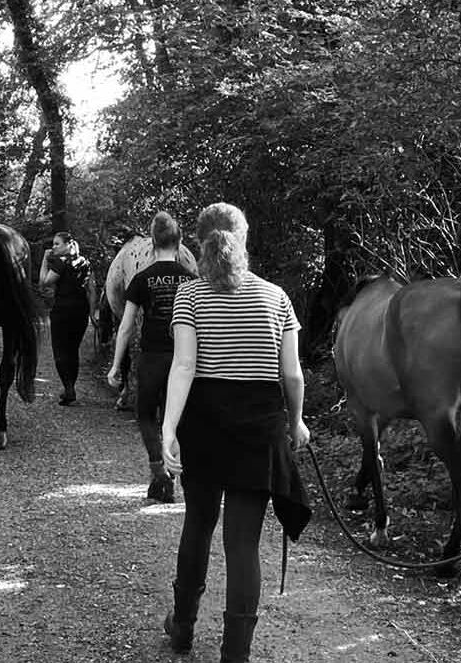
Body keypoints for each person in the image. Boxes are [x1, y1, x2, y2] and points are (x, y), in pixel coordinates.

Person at [160, 203, 311, 663]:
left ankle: (182, 628)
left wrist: (169, 428)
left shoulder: (189, 296)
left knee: (198, 524)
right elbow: (293, 376)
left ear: (199, 242)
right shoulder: (276, 297)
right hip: (259, 429)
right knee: (242, 543)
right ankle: (236, 655)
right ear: (242, 239)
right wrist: (296, 421)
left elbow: (184, 365)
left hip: (204, 424)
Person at [107, 212, 196, 503]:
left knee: (145, 414)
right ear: (179, 240)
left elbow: (126, 327)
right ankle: (177, 474)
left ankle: (159, 469)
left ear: (152, 242)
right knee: (177, 417)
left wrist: (116, 365)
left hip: (151, 359)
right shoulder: (191, 279)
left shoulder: (142, 278)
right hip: (183, 360)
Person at [40, 232, 98, 405]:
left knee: (59, 350)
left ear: (68, 244)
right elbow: (92, 290)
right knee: (73, 350)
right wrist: (92, 313)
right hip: (81, 310)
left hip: (62, 310)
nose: (54, 247)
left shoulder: (61, 262)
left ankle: (68, 388)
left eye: (57, 244)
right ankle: (70, 387)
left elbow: (45, 281)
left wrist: (44, 260)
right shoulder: (85, 262)